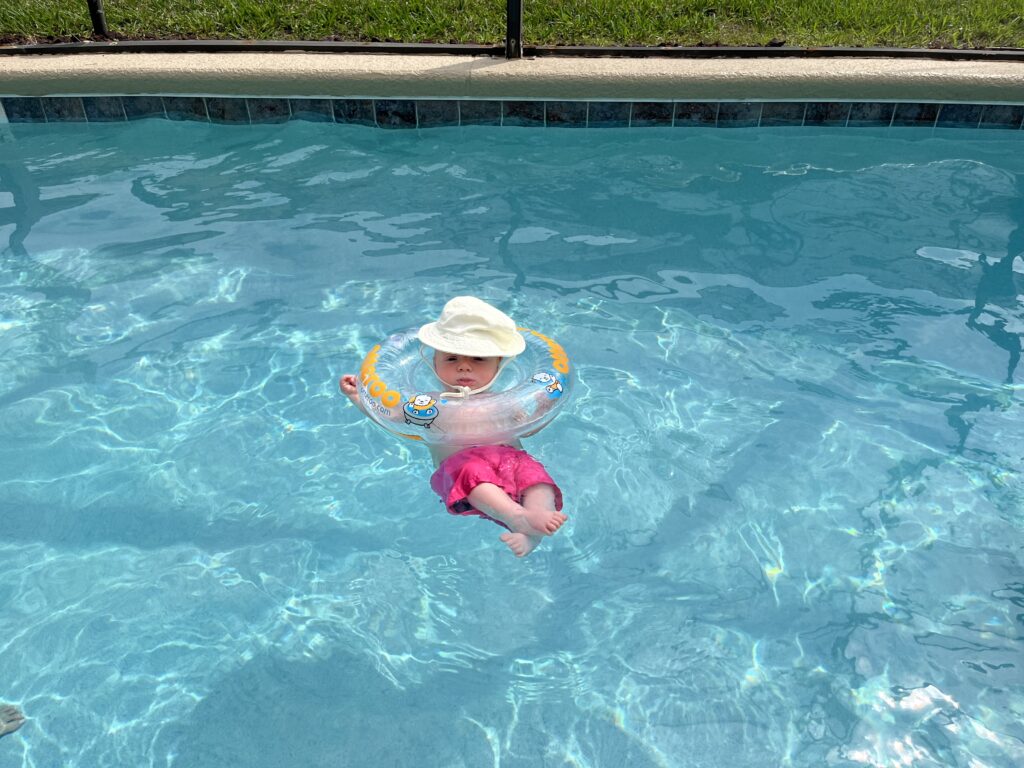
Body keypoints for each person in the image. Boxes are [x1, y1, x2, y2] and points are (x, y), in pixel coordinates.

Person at [340, 296, 567, 557]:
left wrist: (544, 405)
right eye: (451, 359)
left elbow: (528, 428)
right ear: (433, 362)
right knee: (472, 472)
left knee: (535, 478)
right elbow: (389, 419)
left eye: (479, 359)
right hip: (460, 469)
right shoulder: (428, 406)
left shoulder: (503, 403)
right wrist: (358, 397)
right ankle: (517, 516)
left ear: (499, 365)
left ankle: (535, 525)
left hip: (511, 460)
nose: (464, 365)